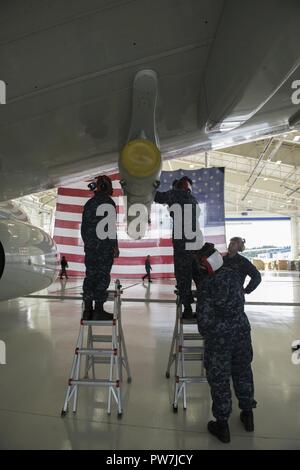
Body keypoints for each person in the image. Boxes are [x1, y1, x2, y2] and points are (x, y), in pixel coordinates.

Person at [195, 243, 257, 444]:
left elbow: (203, 323)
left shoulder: (208, 285)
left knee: (220, 379)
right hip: (241, 332)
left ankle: (222, 426)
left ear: (207, 264)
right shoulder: (234, 275)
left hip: (219, 339)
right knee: (243, 371)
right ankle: (248, 415)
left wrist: (211, 332)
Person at [155, 176, 203, 319]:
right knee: (199, 276)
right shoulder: (194, 200)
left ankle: (187, 309)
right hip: (196, 243)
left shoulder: (175, 194)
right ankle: (203, 307)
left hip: (183, 244)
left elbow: (156, 197)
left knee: (183, 277)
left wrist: (153, 185)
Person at [81, 175, 119, 321]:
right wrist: (115, 246)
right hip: (104, 248)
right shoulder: (109, 203)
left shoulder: (89, 203)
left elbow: (84, 228)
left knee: (90, 276)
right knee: (102, 276)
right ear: (107, 187)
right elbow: (110, 228)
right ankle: (98, 310)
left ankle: (87, 310)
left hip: (91, 248)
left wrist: (89, 244)